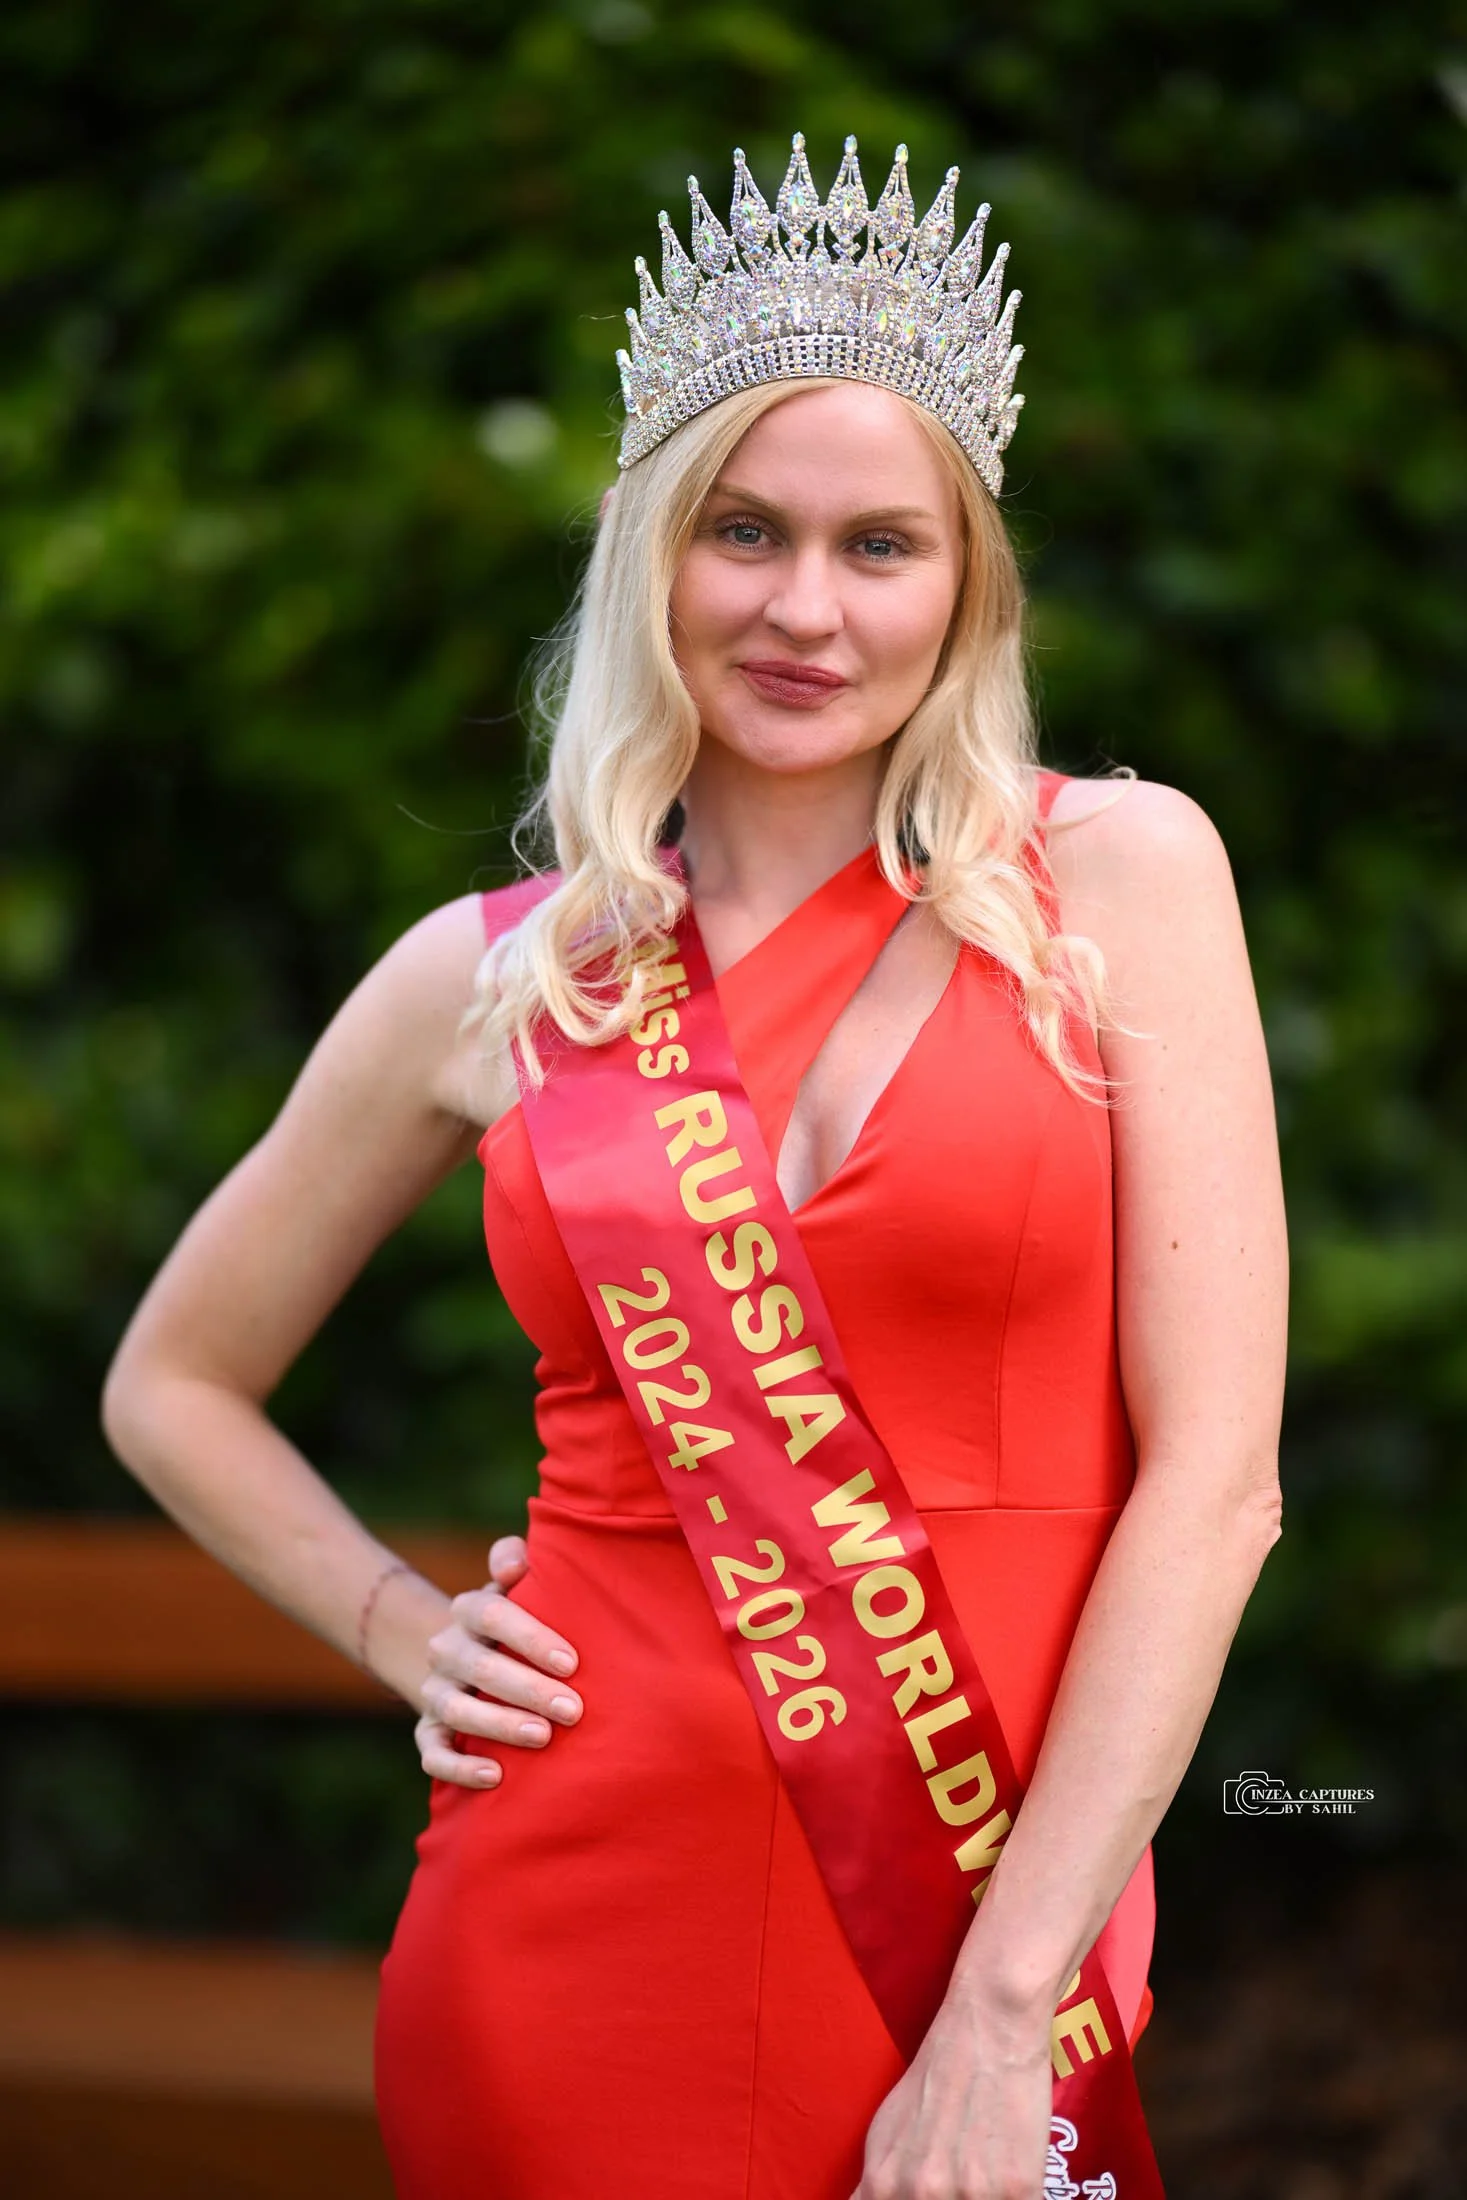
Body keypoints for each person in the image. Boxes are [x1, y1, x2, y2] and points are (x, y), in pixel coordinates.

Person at [102, 133, 1288, 2200]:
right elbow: (170, 1379)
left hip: (973, 1936)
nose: (805, 609)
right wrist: (402, 1624)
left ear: (966, 582)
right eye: (744, 530)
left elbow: (1217, 1482)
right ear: (655, 550)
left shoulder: (1116, 878)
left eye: (878, 547)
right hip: (564, 1911)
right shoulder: (490, 981)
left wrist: (1000, 2014)